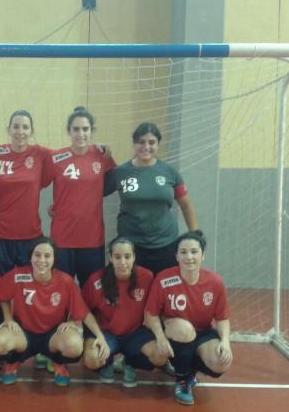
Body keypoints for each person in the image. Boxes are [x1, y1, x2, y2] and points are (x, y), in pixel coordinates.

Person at [0, 237, 109, 387]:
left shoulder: (66, 281)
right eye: (37, 255)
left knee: (74, 346)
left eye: (47, 256)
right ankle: (13, 362)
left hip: (53, 336)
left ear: (54, 259)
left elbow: (85, 314)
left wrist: (100, 336)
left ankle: (58, 363)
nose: (42, 260)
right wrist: (1, 317)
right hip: (23, 334)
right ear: (30, 257)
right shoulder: (19, 275)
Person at [130, 230, 233, 405]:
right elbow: (151, 314)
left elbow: (222, 318)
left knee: (220, 362)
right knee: (184, 330)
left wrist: (225, 342)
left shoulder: (215, 282)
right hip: (175, 331)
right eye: (183, 252)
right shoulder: (164, 278)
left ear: (203, 255)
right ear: (176, 256)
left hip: (202, 332)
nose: (189, 257)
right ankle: (183, 380)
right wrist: (161, 338)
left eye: (194, 252)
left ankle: (189, 368)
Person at [105, 122, 198, 276]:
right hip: (131, 247)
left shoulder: (170, 172)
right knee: (136, 294)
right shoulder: (120, 172)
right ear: (134, 144)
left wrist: (196, 236)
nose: (146, 147)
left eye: (151, 142)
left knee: (164, 292)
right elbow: (93, 192)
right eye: (141, 142)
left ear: (158, 144)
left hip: (166, 244)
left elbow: (186, 205)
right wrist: (61, 206)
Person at [43, 107, 116, 287]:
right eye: (76, 129)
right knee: (60, 290)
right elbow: (32, 184)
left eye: (85, 129)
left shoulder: (102, 156)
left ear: (92, 131)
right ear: (69, 131)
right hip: (62, 239)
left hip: (92, 239)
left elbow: (117, 180)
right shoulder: (56, 158)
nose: (81, 134)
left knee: (92, 292)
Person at [0, 110, 51, 275]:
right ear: (9, 130)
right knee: (0, 284)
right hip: (1, 233)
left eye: (25, 127)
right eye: (16, 127)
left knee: (29, 284)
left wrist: (96, 148)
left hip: (31, 234)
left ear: (31, 131)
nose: (20, 132)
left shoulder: (41, 154)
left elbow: (70, 156)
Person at [81, 237, 153, 388]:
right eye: (117, 257)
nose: (123, 262)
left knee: (159, 355)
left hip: (135, 334)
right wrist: (99, 336)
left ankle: (130, 362)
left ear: (134, 257)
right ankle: (107, 362)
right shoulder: (96, 281)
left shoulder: (147, 277)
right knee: (91, 360)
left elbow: (156, 308)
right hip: (107, 334)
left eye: (127, 257)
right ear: (111, 258)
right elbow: (83, 310)